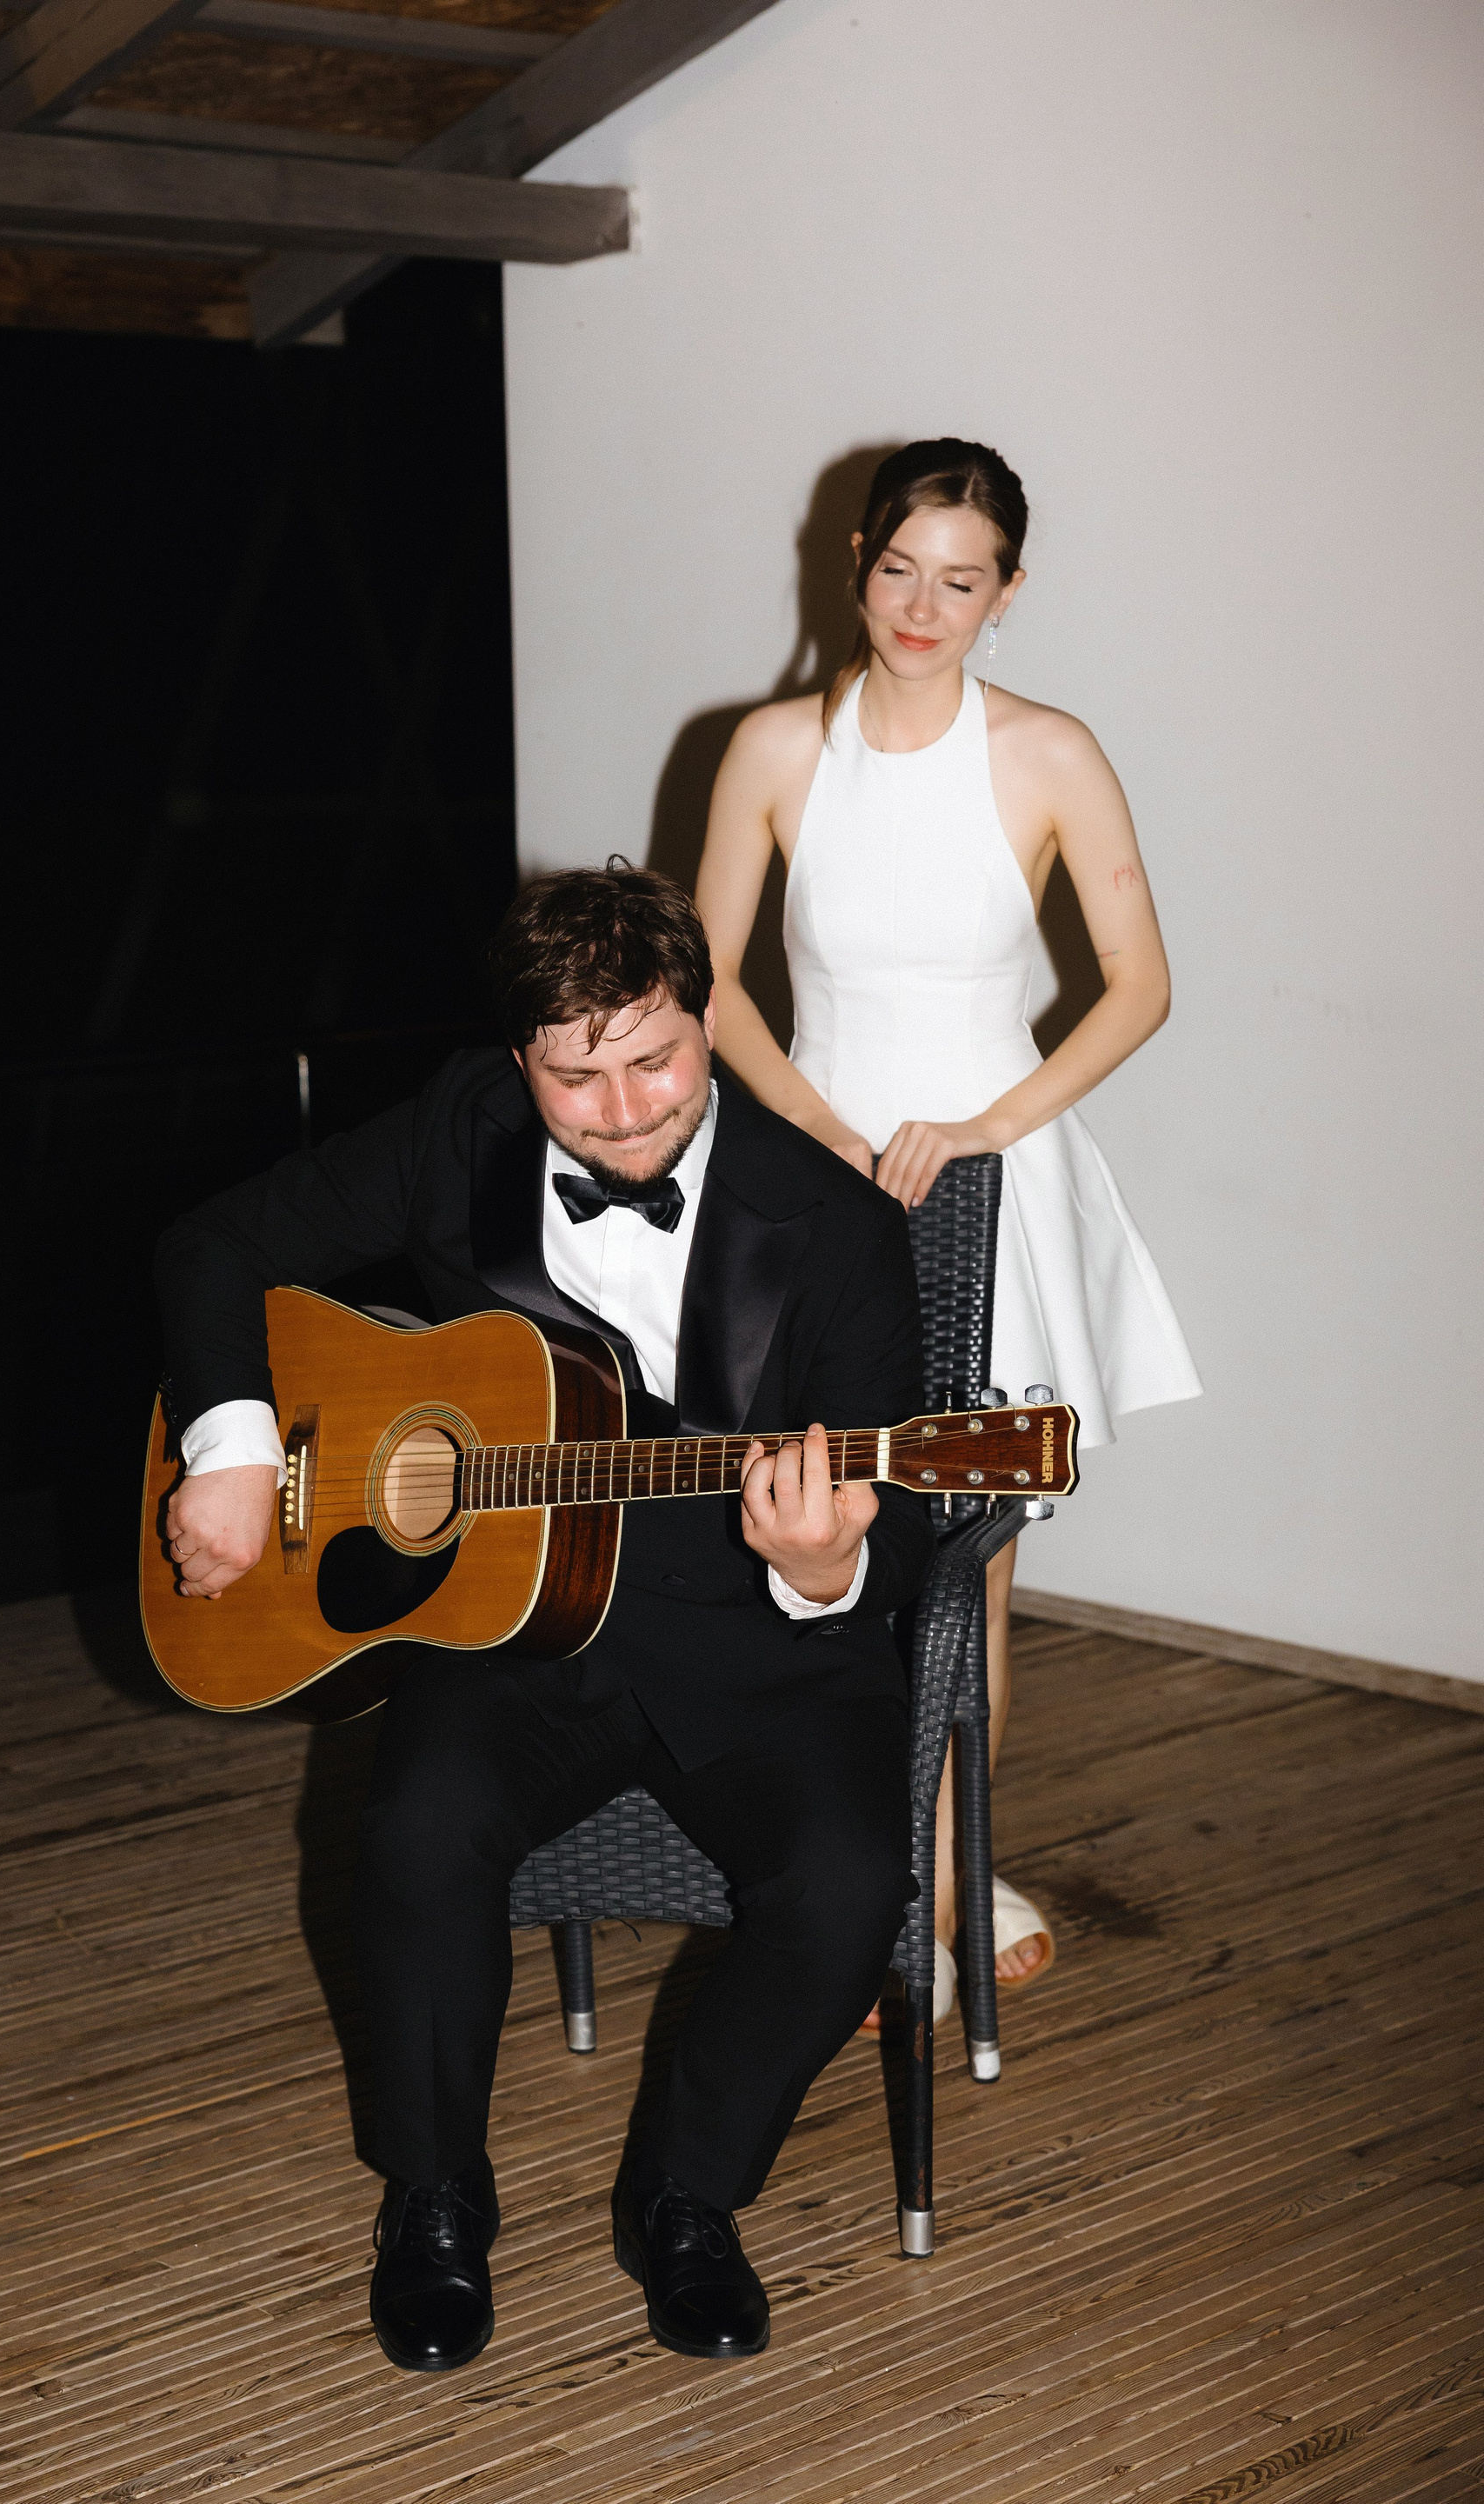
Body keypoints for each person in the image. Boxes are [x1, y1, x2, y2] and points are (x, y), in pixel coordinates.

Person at [153, 865, 933, 2374]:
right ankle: (435, 2196)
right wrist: (236, 1453)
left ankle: (686, 2196)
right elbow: (213, 1247)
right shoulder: (460, 1129)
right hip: (518, 1625)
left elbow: (895, 1529)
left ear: (711, 1018)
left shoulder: (834, 1221)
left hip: (762, 1646)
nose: (626, 1112)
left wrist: (825, 1563)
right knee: (415, 1833)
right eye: (577, 1078)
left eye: (657, 1059)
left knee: (850, 1889)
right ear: (519, 1061)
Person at [694, 438, 1201, 2022]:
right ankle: (834, 1867)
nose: (925, 606)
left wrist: (985, 1125)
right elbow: (709, 985)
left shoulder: (1050, 752)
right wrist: (819, 1131)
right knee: (807, 1530)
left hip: (988, 1183)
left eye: (963, 580)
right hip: (809, 1181)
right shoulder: (772, 747)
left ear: (1008, 592)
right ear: (857, 559)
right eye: (902, 569)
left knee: (965, 1562)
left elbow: (1141, 986)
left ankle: (946, 1873)